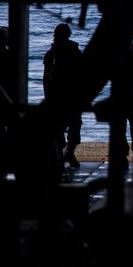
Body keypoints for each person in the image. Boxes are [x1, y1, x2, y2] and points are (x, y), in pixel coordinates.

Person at [43, 23, 84, 168]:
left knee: (69, 126)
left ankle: (66, 153)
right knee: (68, 127)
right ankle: (66, 153)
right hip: (65, 96)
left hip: (64, 96)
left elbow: (46, 80)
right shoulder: (62, 53)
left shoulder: (56, 54)